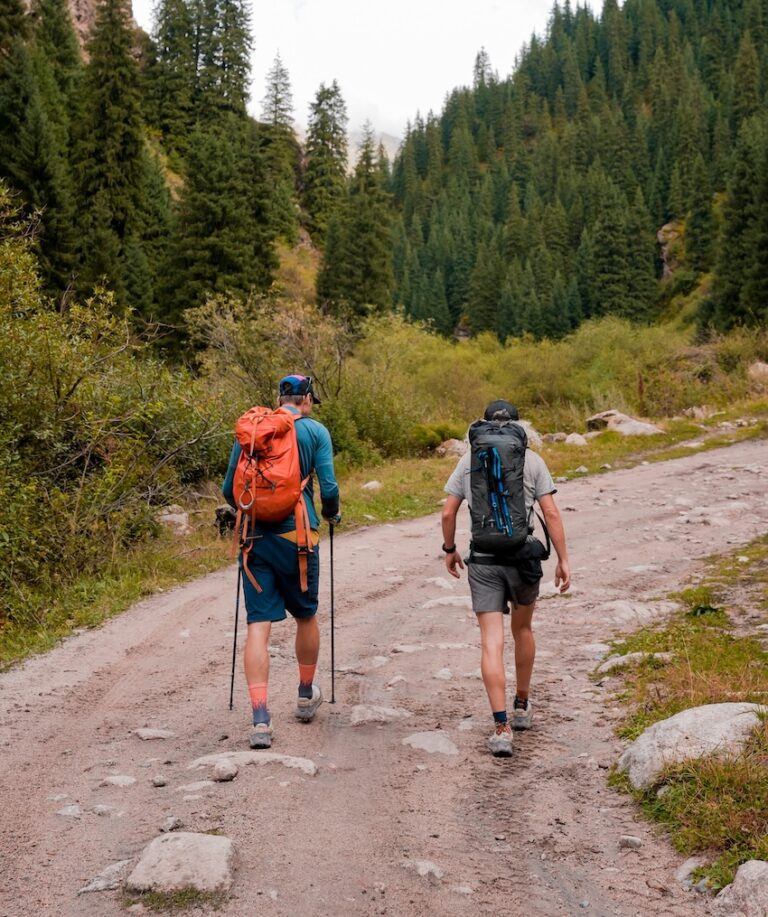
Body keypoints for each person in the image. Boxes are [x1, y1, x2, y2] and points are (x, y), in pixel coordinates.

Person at [441, 399, 570, 757]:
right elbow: (551, 513)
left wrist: (450, 549)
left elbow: (448, 512)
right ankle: (522, 705)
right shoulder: (532, 460)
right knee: (523, 629)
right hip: (522, 560)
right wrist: (563, 559)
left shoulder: (468, 460)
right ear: (518, 428)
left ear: (483, 425)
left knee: (490, 642)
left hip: (483, 561)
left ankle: (501, 727)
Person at [222, 374, 340, 749]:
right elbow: (329, 487)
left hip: (254, 538)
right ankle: (305, 695)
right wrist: (332, 513)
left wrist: (256, 507)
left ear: (279, 398)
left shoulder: (253, 431)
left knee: (258, 625)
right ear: (306, 400)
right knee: (305, 614)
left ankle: (260, 718)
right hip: (297, 537)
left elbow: (228, 490)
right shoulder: (315, 432)